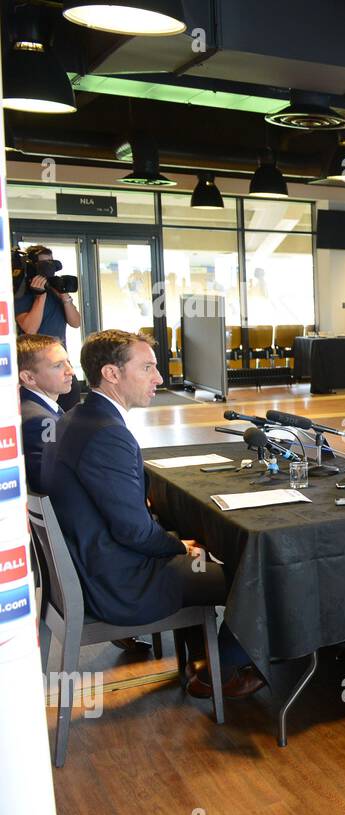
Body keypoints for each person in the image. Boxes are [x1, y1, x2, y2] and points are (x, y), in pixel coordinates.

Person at [45, 330, 264, 697]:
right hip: (119, 584)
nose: (159, 378)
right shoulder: (106, 434)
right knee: (253, 576)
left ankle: (200, 658)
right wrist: (180, 546)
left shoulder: (76, 418)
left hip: (91, 565)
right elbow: (133, 532)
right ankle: (219, 672)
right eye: (147, 368)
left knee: (202, 557)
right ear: (112, 374)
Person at [15, 245, 84, 411]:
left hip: (61, 363)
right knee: (44, 416)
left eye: (51, 263)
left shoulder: (56, 290)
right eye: (44, 263)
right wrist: (40, 296)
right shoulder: (22, 293)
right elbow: (30, 328)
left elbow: (76, 322)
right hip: (38, 368)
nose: (49, 268)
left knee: (69, 413)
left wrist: (63, 295)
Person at [17, 334, 74, 493]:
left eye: (67, 362)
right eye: (58, 366)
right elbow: (52, 481)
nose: (71, 371)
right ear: (28, 377)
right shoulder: (40, 419)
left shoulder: (32, 408)